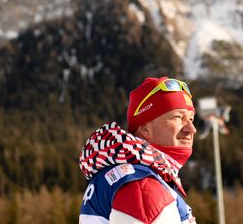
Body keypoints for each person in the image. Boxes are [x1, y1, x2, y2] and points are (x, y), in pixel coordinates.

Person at [79, 76, 197, 223]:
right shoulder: (141, 185)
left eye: (191, 119)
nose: (191, 129)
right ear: (145, 129)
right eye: (178, 117)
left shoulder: (129, 174)